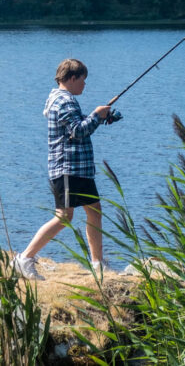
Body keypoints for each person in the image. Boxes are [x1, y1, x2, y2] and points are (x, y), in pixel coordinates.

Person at [12, 58, 112, 281]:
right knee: (64, 216)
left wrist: (98, 118)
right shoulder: (64, 101)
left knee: (94, 210)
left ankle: (98, 265)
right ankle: (24, 259)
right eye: (83, 80)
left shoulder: (63, 100)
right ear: (73, 78)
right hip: (68, 168)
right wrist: (97, 115)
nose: (85, 85)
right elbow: (77, 131)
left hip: (79, 169)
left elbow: (74, 127)